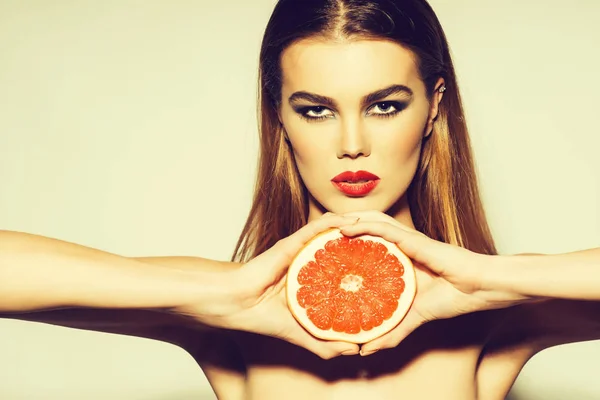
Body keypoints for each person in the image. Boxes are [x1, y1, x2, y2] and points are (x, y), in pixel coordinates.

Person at [1, 0, 599, 399]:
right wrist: (221, 294)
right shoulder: (231, 313)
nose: (352, 144)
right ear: (280, 117)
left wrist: (499, 279)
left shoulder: (492, 318)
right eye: (315, 110)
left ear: (434, 106)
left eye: (385, 106)